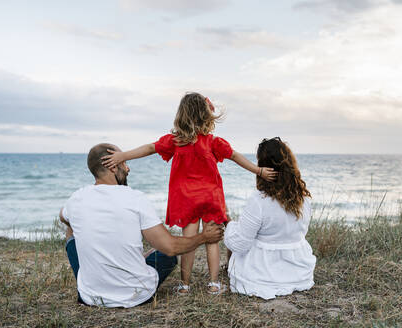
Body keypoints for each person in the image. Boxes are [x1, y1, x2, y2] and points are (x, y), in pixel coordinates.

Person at [101, 92, 277, 294]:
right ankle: (213, 283)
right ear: (205, 115)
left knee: (190, 241)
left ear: (182, 115)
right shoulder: (211, 141)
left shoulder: (176, 141)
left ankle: (185, 285)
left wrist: (124, 155)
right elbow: (235, 156)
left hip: (187, 198)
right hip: (209, 196)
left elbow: (150, 148)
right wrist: (258, 170)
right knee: (211, 240)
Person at [59, 143, 224, 308]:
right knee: (167, 256)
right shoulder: (135, 198)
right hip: (137, 294)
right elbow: (171, 247)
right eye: (124, 162)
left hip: (90, 297)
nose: (128, 168)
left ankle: (97, 279)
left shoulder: (76, 198)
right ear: (113, 167)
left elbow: (63, 217)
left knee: (71, 231)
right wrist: (204, 237)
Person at [223, 137, 316, 300]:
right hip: (299, 273)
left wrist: (227, 222)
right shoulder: (304, 199)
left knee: (236, 231)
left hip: (262, 275)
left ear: (263, 167)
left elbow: (239, 244)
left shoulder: (259, 201)